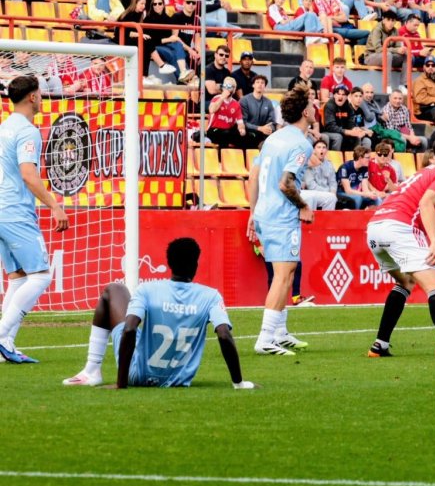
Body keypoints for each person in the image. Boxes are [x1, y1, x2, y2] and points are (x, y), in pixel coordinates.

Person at [61, 238, 255, 389]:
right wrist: (238, 383)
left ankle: (92, 370)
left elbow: (129, 329)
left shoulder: (148, 289)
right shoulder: (210, 296)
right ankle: (92, 371)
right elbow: (223, 334)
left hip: (137, 374)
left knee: (114, 289)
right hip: (177, 379)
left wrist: (121, 384)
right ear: (196, 265)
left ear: (169, 263)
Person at [365, 136, 435, 361]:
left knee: (405, 282)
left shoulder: (422, 172)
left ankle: (380, 344)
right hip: (399, 227)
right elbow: (426, 203)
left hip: (375, 227)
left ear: (434, 155)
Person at [0, 77, 69, 363]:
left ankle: (6, 345)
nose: (42, 98)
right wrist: (55, 205)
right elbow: (28, 175)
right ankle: (1, 334)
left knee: (18, 277)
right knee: (42, 275)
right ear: (32, 97)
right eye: (39, 93)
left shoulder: (4, 126)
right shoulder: (27, 132)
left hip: (2, 208)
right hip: (15, 209)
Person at [245, 87, 315, 356]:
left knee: (286, 272)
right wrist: (304, 206)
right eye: (311, 104)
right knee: (283, 275)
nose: (314, 108)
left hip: (264, 212)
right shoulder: (300, 143)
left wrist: (252, 212)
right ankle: (265, 339)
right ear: (305, 111)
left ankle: (280, 332)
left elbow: (254, 174)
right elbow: (286, 183)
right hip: (282, 217)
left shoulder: (273, 138)